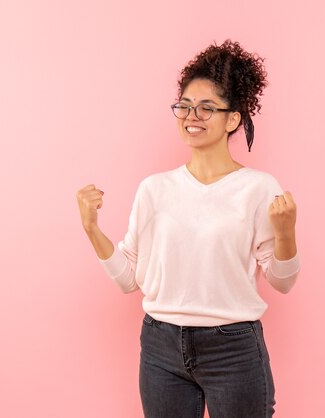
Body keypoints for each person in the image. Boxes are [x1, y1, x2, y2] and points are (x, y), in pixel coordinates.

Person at [76, 39, 300, 418]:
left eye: (206, 108)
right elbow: (129, 279)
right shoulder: (154, 189)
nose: (191, 115)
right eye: (184, 105)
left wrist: (285, 232)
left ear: (233, 119)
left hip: (233, 347)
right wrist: (91, 228)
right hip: (160, 345)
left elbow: (283, 281)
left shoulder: (259, 189)